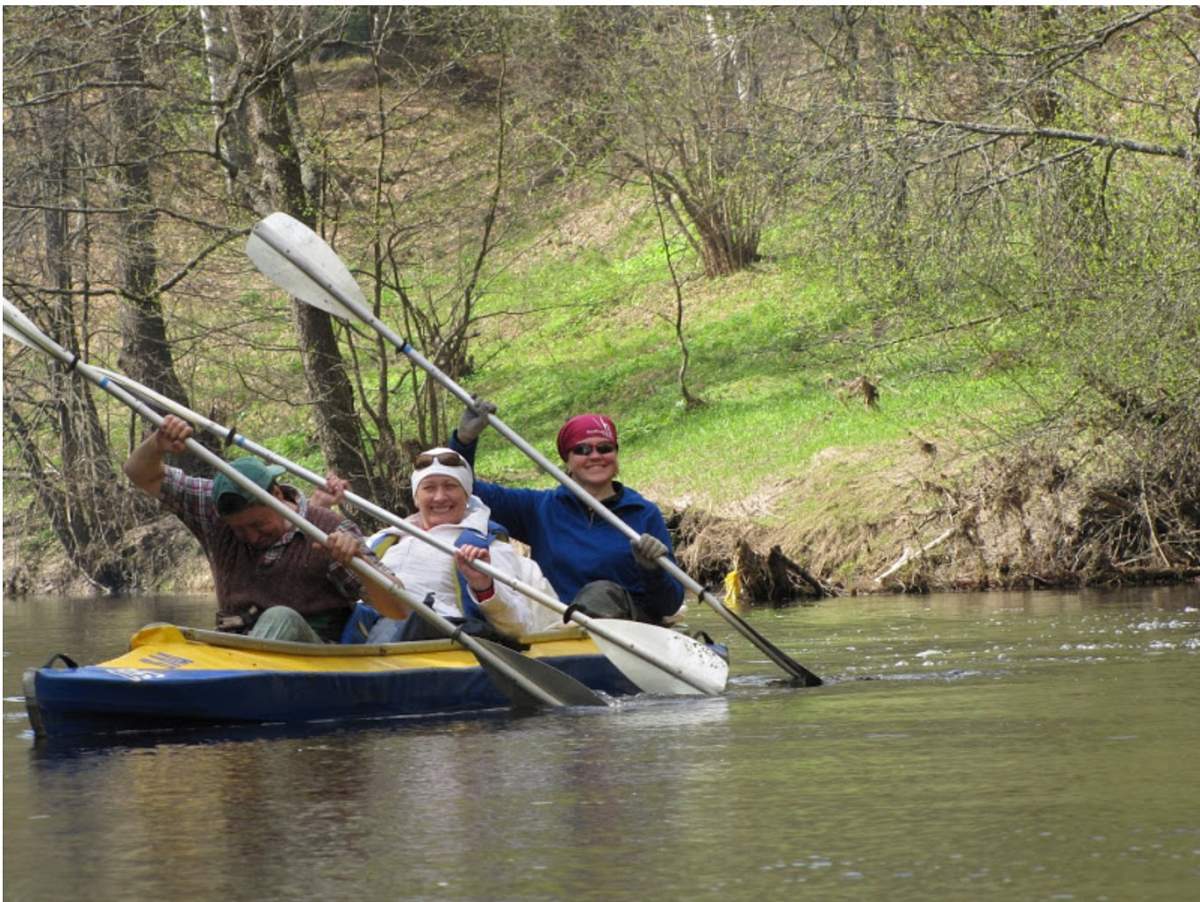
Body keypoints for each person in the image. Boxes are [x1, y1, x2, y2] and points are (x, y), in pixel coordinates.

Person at [123, 414, 405, 643]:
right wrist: (157, 444)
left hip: (311, 659)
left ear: (278, 496)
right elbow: (139, 473)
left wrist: (358, 562)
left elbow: (398, 608)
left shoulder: (329, 529)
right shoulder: (211, 510)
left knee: (280, 618)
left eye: (258, 524)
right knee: (159, 633)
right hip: (231, 648)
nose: (251, 536)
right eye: (240, 529)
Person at [450, 406, 684, 624]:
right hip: (560, 630)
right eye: (582, 449)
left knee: (600, 593)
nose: (595, 456)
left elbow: (670, 604)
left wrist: (653, 572)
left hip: (631, 631)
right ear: (567, 461)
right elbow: (462, 488)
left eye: (604, 448)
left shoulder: (644, 513)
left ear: (615, 456)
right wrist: (464, 442)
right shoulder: (540, 508)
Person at [316, 448, 560, 642]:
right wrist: (318, 507)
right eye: (429, 488)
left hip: (437, 637)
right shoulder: (385, 539)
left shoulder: (488, 547)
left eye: (451, 486)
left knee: (402, 613)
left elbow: (518, 626)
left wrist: (484, 586)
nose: (440, 497)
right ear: (415, 497)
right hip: (363, 628)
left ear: (467, 495)